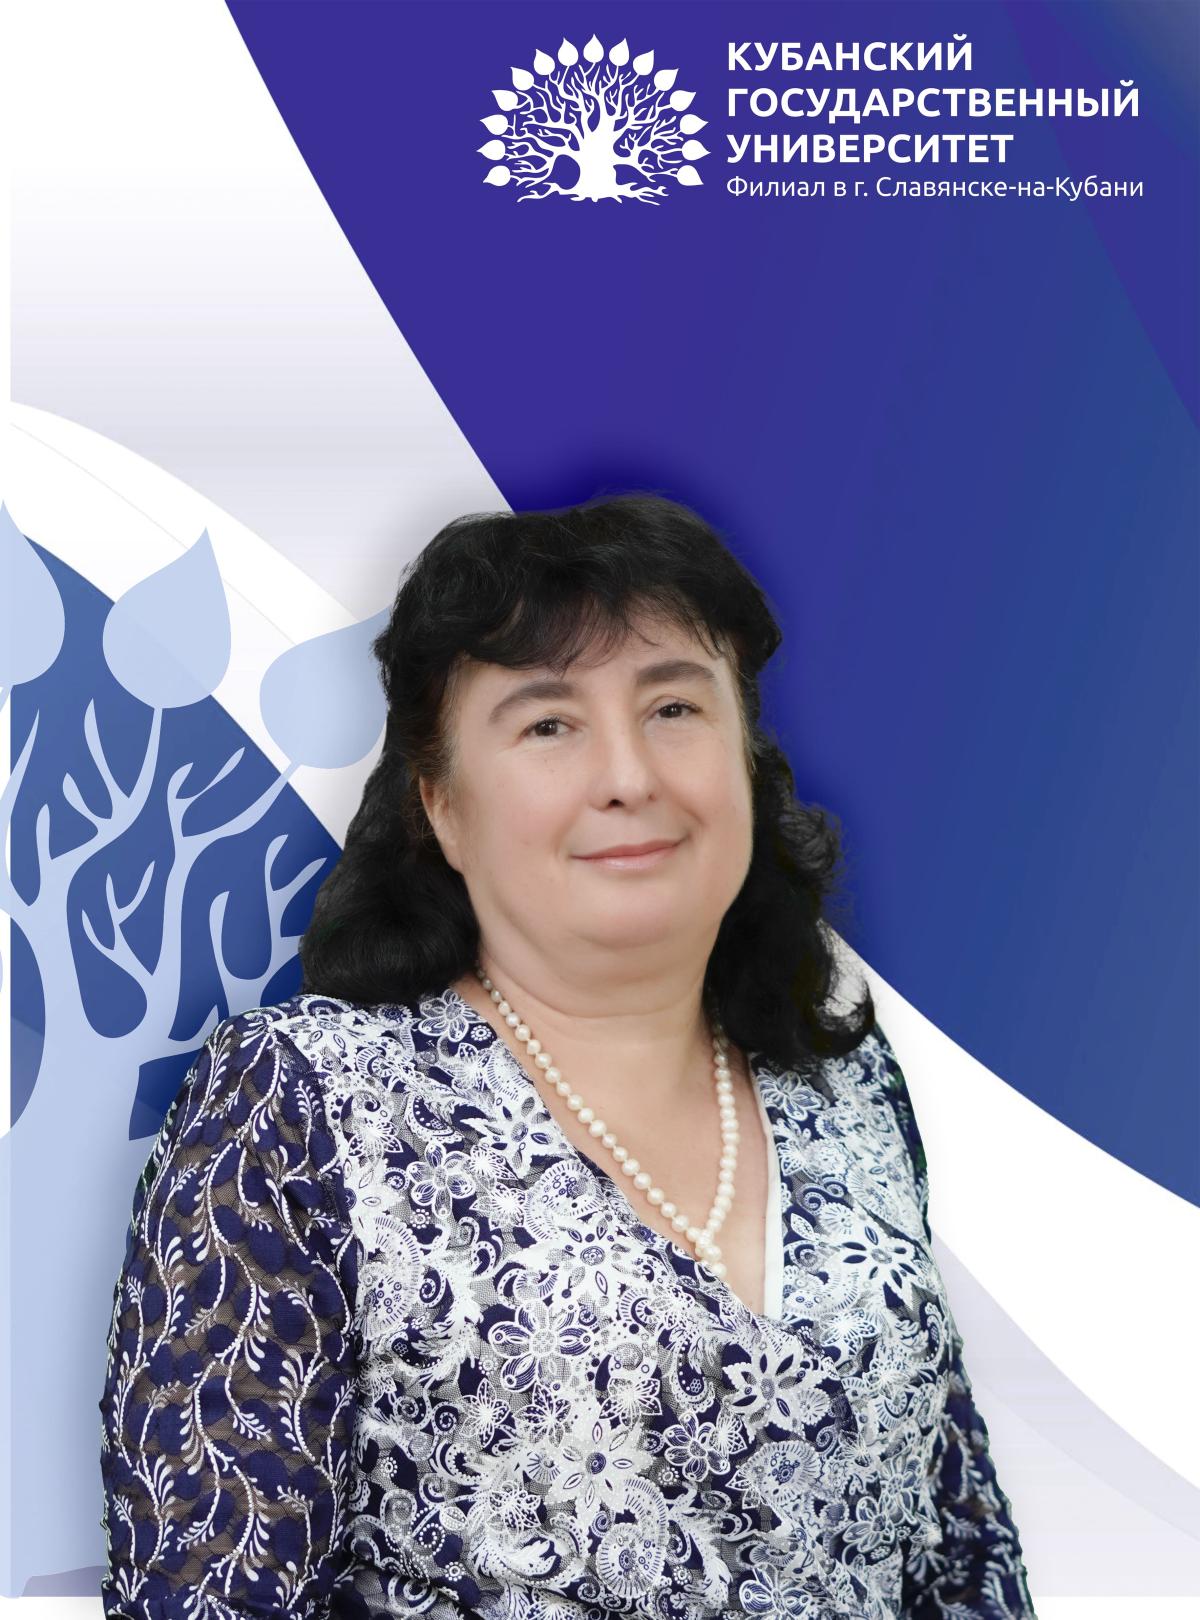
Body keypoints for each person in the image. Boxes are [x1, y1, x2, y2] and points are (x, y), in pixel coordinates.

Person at [98, 493, 1038, 1619]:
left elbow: (960, 1547)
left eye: (675, 707)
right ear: (440, 806)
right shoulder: (303, 1106)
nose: (629, 775)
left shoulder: (848, 1085)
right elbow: (209, 1592)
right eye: (549, 724)